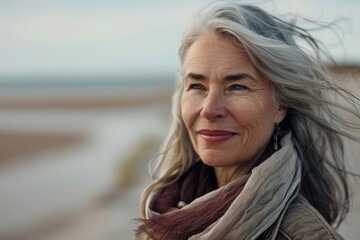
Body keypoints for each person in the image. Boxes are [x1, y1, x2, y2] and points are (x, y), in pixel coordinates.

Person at [136, 1, 360, 239]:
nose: (209, 110)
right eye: (197, 86)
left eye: (237, 87)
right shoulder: (170, 207)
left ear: (280, 105)